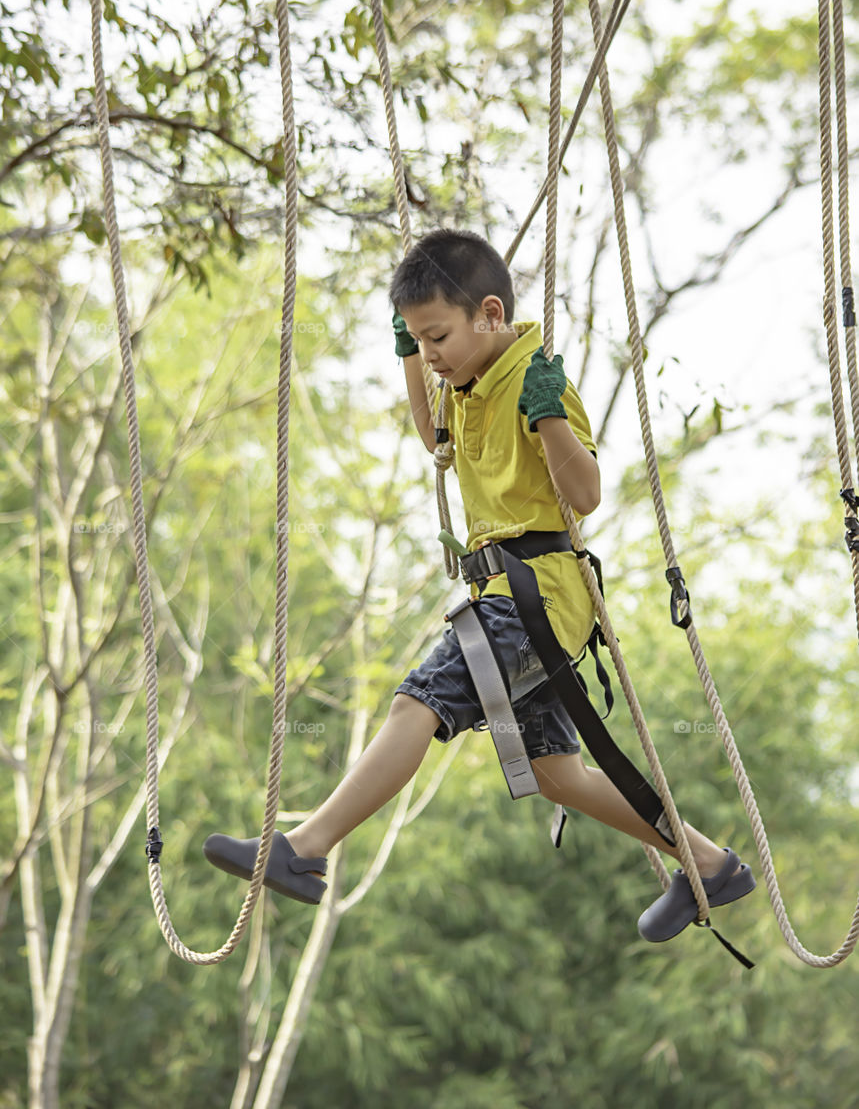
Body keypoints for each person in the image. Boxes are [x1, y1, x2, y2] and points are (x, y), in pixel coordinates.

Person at [204, 228, 755, 942]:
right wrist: (414, 359)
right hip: (508, 601)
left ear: (489, 315)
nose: (429, 354)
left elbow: (583, 495)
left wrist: (550, 417)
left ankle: (304, 850)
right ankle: (708, 864)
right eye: (416, 341)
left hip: (537, 600)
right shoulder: (462, 386)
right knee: (555, 772)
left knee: (418, 702)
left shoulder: (533, 376)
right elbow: (434, 435)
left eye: (436, 336)